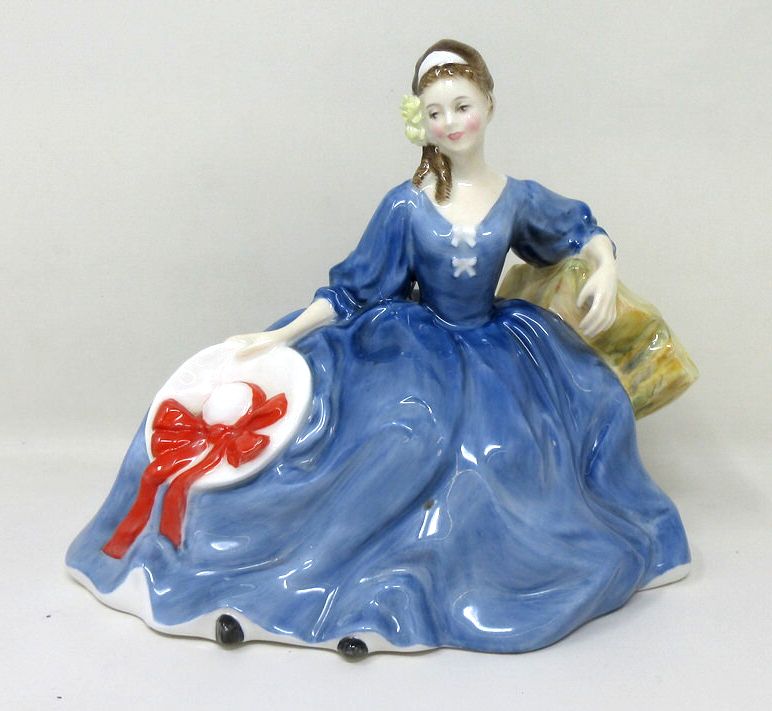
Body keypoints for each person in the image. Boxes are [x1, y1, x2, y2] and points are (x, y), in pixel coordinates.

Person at [67, 39, 691, 659]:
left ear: (489, 105)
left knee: (523, 448)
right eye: (437, 112)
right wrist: (281, 336)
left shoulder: (518, 196)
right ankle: (306, 579)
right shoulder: (406, 204)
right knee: (398, 439)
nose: (451, 122)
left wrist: (604, 264)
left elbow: (578, 230)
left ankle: (487, 569)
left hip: (497, 349)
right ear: (422, 120)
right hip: (415, 349)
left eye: (462, 106)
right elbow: (355, 288)